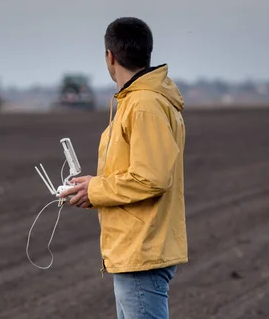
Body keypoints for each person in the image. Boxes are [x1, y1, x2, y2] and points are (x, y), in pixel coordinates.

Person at [59, 17, 188, 319]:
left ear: (110, 56)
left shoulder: (144, 105)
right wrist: (91, 188)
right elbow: (135, 173)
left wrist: (95, 188)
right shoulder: (138, 102)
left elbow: (151, 178)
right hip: (134, 249)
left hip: (141, 251)